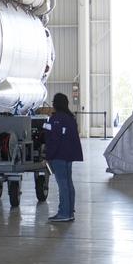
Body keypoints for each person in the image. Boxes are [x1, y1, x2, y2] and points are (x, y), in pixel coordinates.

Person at [44, 92, 83, 223]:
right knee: (68, 183)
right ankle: (70, 212)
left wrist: (48, 155)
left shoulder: (56, 119)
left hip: (59, 155)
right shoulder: (70, 118)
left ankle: (64, 213)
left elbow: (53, 139)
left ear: (55, 104)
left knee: (63, 184)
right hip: (68, 156)